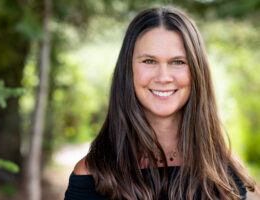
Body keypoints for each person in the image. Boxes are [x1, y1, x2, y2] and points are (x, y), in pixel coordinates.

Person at [64, 6, 258, 200]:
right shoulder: (92, 176)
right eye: (149, 61)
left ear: (197, 73)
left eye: (178, 62)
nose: (164, 77)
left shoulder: (223, 175)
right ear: (128, 70)